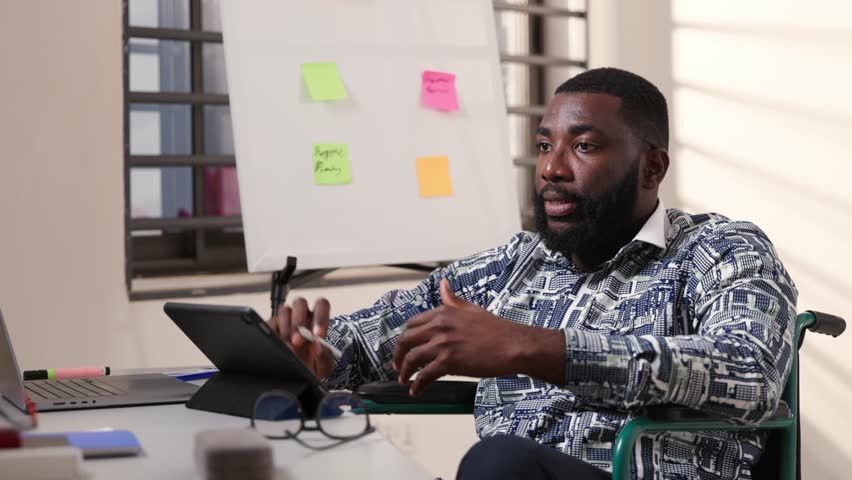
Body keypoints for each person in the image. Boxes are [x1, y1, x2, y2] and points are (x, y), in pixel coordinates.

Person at [268, 67, 797, 480]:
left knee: (501, 465)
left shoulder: (718, 250)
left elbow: (748, 372)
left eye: (583, 146)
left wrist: (532, 347)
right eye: (545, 146)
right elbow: (371, 338)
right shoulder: (514, 265)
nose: (551, 168)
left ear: (651, 168)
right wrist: (314, 355)